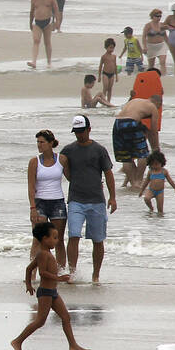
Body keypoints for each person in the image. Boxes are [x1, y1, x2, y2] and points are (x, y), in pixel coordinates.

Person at [13, 222, 89, 350]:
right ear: (44, 238)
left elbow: (29, 268)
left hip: (53, 292)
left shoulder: (46, 253)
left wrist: (29, 284)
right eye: (54, 237)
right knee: (40, 321)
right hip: (45, 293)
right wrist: (58, 278)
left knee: (66, 317)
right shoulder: (43, 254)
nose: (56, 240)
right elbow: (42, 273)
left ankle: (73, 345)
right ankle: (17, 341)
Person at [59, 114, 117, 284]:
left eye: (82, 131)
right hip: (76, 200)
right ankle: (72, 272)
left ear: (89, 130)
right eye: (76, 132)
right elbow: (64, 169)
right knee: (74, 235)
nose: (79, 135)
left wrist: (112, 197)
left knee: (98, 239)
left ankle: (95, 275)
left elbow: (108, 173)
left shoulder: (99, 150)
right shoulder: (68, 150)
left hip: (97, 201)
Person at [28, 129, 68, 271]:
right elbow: (31, 187)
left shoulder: (61, 159)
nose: (39, 145)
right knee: (38, 240)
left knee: (58, 240)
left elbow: (72, 178)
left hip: (57, 202)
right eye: (38, 142)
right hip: (40, 203)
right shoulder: (34, 161)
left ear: (51, 143)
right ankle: (33, 273)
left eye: (42, 142)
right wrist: (32, 208)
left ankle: (60, 271)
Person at [112, 96, 160, 186]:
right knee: (142, 154)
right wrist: (156, 149)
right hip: (131, 122)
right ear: (158, 103)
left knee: (125, 156)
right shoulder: (152, 106)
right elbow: (154, 131)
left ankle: (133, 182)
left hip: (117, 123)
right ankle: (138, 180)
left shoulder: (135, 101)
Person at [27, 0, 60, 69]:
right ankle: (34, 62)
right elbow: (31, 11)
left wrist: (57, 22)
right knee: (36, 40)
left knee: (47, 42)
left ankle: (49, 62)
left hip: (47, 22)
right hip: (37, 22)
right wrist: (30, 22)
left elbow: (56, 9)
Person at [142, 9, 169, 73]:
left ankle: (163, 77)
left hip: (161, 46)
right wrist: (145, 47)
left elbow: (165, 36)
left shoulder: (162, 25)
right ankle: (150, 77)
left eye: (160, 16)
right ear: (152, 16)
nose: (159, 18)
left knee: (162, 62)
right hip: (151, 47)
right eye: (157, 16)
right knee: (151, 65)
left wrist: (170, 45)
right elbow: (144, 36)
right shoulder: (148, 25)